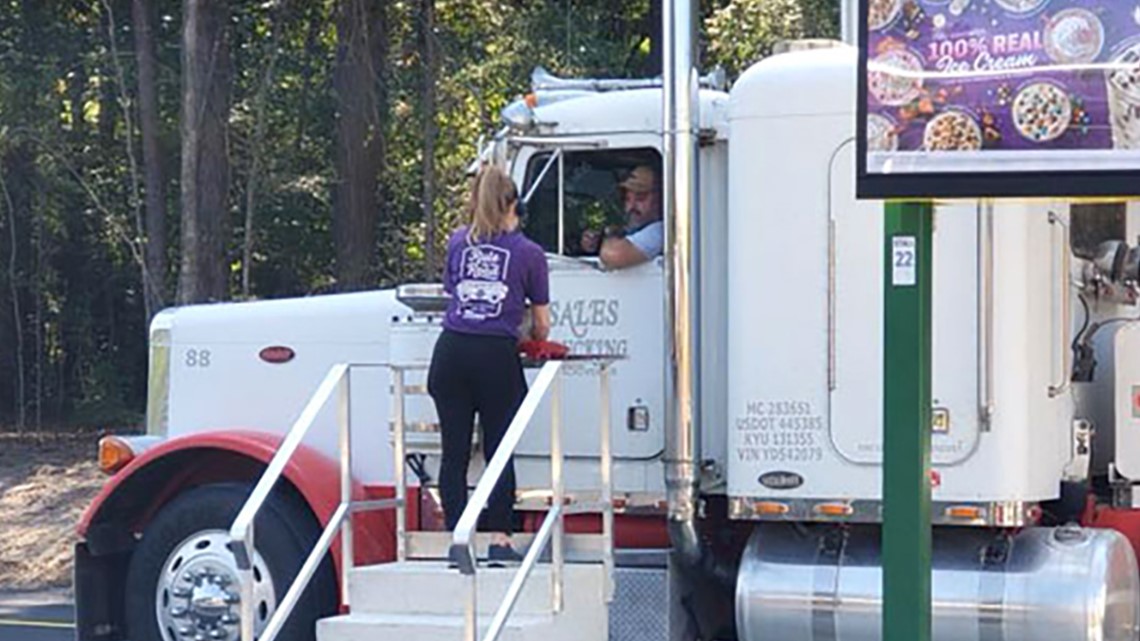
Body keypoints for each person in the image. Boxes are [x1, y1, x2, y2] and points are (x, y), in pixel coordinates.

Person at [428, 163, 552, 565]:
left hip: (450, 352)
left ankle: (457, 540)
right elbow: (541, 322)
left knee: (454, 452)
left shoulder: (458, 241)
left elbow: (454, 294)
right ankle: (499, 540)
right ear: (513, 204)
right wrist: (532, 338)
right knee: (500, 448)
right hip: (495, 356)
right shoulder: (529, 253)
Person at [580, 165, 664, 268]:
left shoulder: (660, 231)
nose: (631, 206)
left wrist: (610, 233)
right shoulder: (634, 229)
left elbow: (613, 255)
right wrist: (596, 243)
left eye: (640, 198)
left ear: (660, 198)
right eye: (627, 199)